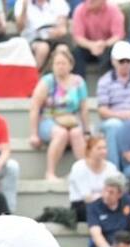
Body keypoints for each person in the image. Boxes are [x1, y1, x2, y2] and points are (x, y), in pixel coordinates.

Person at [29, 45, 89, 182]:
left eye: (63, 63)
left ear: (70, 65)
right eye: (57, 63)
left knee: (76, 133)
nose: (60, 66)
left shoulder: (78, 82)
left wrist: (87, 131)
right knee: (61, 133)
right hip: (49, 120)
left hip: (71, 120)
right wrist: (34, 134)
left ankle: (85, 173)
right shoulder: (47, 81)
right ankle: (50, 172)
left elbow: (84, 108)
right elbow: (35, 107)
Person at [96, 42, 130, 170]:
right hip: (115, 118)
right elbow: (102, 110)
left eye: (128, 61)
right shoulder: (105, 81)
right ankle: (113, 169)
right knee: (114, 125)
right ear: (114, 61)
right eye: (121, 61)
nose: (125, 64)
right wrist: (121, 115)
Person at [68, 134, 119, 223]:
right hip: (82, 205)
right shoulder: (79, 167)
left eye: (105, 148)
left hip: (106, 203)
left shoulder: (111, 167)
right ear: (89, 150)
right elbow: (87, 197)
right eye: (99, 148)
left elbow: (115, 191)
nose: (103, 151)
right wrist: (106, 195)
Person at [71, 0, 124, 76]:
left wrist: (104, 44)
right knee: (76, 52)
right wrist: (91, 45)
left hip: (107, 45)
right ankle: (79, 83)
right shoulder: (79, 10)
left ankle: (105, 84)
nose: (89, 1)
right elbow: (78, 37)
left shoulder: (113, 10)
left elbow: (118, 35)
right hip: (87, 46)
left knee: (112, 52)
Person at [16, 0, 70, 70]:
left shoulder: (59, 2)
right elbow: (20, 28)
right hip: (33, 39)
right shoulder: (21, 2)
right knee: (43, 48)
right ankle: (33, 76)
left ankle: (57, 77)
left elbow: (62, 26)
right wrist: (24, 8)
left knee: (63, 49)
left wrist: (59, 30)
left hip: (54, 39)